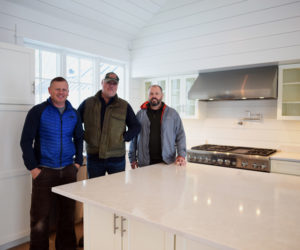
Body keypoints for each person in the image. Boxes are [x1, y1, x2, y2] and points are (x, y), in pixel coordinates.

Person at [20, 77, 83, 250]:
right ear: (49, 90)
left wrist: (77, 163)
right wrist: (33, 169)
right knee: (40, 218)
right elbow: (26, 141)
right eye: (57, 89)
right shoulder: (38, 111)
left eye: (64, 89)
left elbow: (79, 139)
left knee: (67, 216)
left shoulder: (74, 113)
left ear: (68, 92)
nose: (61, 92)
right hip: (45, 172)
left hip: (68, 172)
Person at [77, 71, 140, 177]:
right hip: (94, 158)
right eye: (108, 82)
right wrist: (85, 136)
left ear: (117, 86)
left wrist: (123, 138)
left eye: (114, 84)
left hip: (117, 159)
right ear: (102, 83)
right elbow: (75, 122)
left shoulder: (124, 106)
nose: (111, 86)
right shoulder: (88, 103)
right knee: (94, 190)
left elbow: (136, 126)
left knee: (116, 191)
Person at [129, 84, 186, 168]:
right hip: (145, 163)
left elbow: (180, 135)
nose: (154, 96)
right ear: (148, 96)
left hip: (167, 162)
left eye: (157, 93)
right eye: (151, 94)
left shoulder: (172, 114)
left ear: (162, 96)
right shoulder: (140, 114)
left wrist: (181, 154)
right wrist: (132, 158)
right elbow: (133, 137)